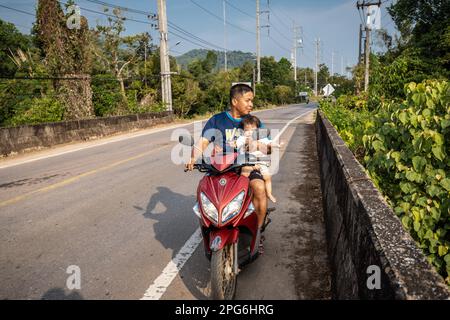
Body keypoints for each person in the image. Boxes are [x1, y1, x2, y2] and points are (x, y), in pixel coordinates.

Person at [185, 83, 269, 252]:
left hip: (246, 167)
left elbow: (268, 147)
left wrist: (256, 145)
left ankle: (258, 232)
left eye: (252, 101)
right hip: (220, 168)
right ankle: (210, 229)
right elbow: (203, 142)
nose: (251, 104)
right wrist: (193, 157)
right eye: (247, 100)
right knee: (204, 192)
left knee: (259, 188)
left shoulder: (253, 122)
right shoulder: (217, 120)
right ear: (234, 101)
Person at [231, 115, 277, 203]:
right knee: (244, 175)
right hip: (246, 162)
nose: (249, 132)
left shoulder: (262, 138)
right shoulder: (243, 138)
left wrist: (274, 145)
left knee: (267, 177)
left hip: (260, 162)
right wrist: (234, 144)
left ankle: (269, 193)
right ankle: (239, 196)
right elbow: (237, 144)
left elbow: (269, 146)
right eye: (247, 130)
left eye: (252, 129)